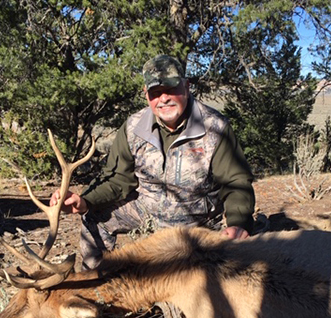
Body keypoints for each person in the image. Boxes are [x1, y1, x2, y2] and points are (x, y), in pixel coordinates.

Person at [51, 54, 255, 269]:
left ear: (186, 87)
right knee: (94, 217)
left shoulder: (214, 127)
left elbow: (235, 182)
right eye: (156, 93)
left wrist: (238, 223)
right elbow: (118, 178)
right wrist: (85, 201)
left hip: (198, 220)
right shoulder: (133, 127)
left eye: (171, 89)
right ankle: (95, 284)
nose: (164, 98)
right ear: (146, 94)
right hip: (147, 211)